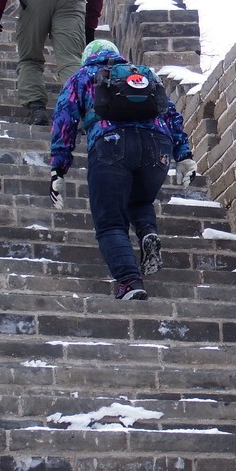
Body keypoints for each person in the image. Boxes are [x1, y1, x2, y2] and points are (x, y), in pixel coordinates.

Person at [49, 40, 197, 300]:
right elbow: (171, 113)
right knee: (139, 199)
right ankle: (148, 232)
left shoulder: (82, 76)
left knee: (110, 223)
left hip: (111, 144)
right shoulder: (143, 74)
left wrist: (58, 169)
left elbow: (65, 119)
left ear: (87, 57)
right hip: (157, 148)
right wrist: (184, 156)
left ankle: (129, 282)